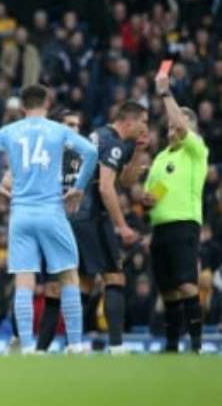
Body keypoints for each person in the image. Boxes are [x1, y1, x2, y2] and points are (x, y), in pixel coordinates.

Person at [0, 85, 98, 354]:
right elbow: (91, 153)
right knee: (69, 277)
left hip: (21, 214)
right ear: (47, 104)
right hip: (51, 211)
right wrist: (79, 188)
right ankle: (75, 344)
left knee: (24, 281)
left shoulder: (10, 131)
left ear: (21, 108)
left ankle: (27, 346)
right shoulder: (58, 130)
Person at [72, 101, 149, 353]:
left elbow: (125, 181)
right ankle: (116, 346)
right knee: (114, 276)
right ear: (129, 121)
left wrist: (138, 152)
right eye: (143, 121)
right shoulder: (113, 143)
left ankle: (74, 344)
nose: (145, 127)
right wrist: (123, 226)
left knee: (84, 281)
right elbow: (106, 187)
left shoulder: (101, 135)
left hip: (77, 215)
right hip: (94, 216)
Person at [143, 72, 209, 353]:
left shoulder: (196, 151)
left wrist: (166, 94)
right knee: (168, 289)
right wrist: (147, 199)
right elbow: (155, 193)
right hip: (160, 228)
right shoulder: (161, 157)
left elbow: (183, 130)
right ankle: (171, 345)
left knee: (186, 285)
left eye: (176, 126)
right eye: (169, 128)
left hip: (184, 224)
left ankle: (195, 343)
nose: (172, 131)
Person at [34, 109, 84, 351]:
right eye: (70, 124)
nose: (75, 129)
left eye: (77, 125)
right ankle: (40, 347)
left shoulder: (85, 155)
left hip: (82, 228)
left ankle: (78, 343)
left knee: (85, 285)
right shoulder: (43, 156)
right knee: (52, 289)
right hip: (52, 228)